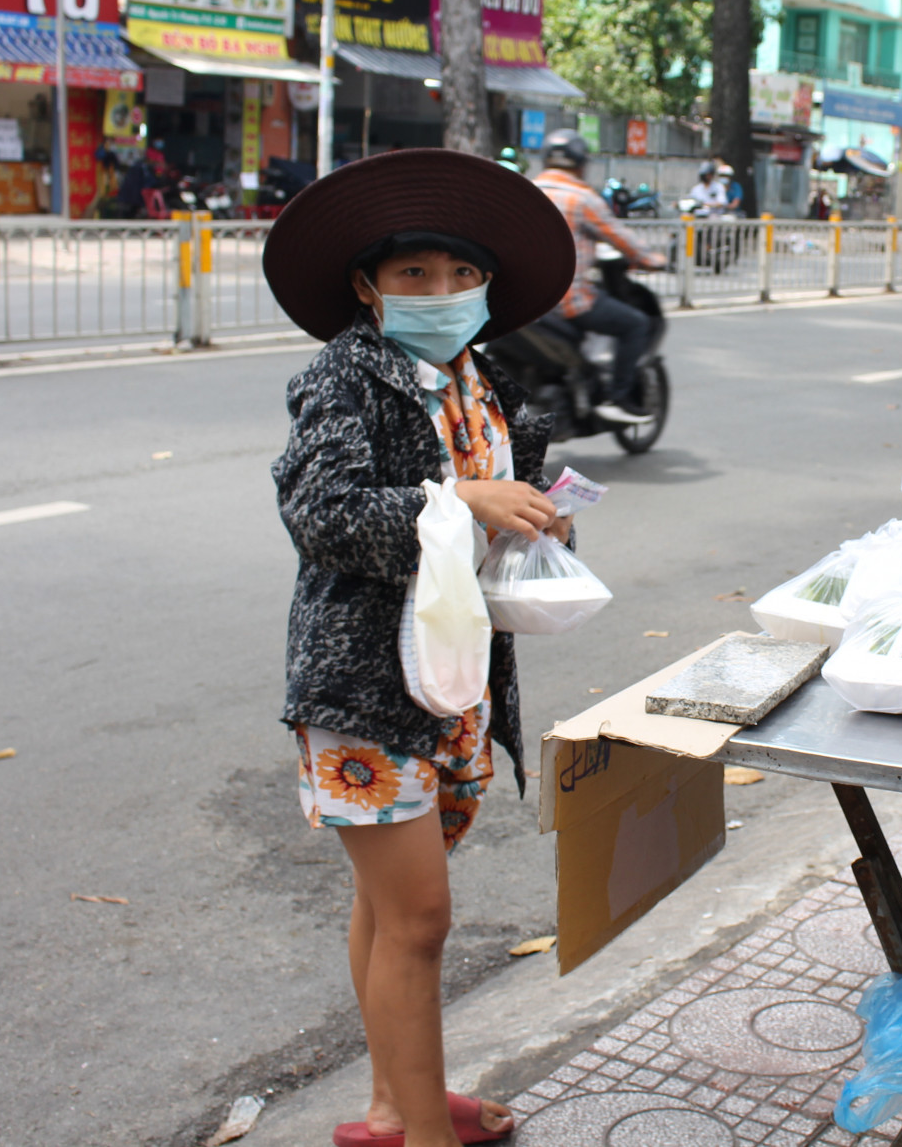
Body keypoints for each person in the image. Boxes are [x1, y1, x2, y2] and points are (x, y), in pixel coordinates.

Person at [265, 148, 580, 1147]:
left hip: (452, 679)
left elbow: (499, 503)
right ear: (368, 286)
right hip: (363, 692)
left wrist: (537, 516)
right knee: (419, 920)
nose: (439, 292)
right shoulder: (342, 377)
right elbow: (320, 512)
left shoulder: (480, 376)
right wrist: (458, 500)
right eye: (413, 274)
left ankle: (395, 1103)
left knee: (388, 909)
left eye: (459, 275)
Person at [533, 129, 669, 423]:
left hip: (523, 301)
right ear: (581, 164)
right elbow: (620, 237)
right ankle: (617, 397)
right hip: (565, 301)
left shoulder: (524, 191)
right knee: (636, 324)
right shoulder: (582, 198)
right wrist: (651, 260)